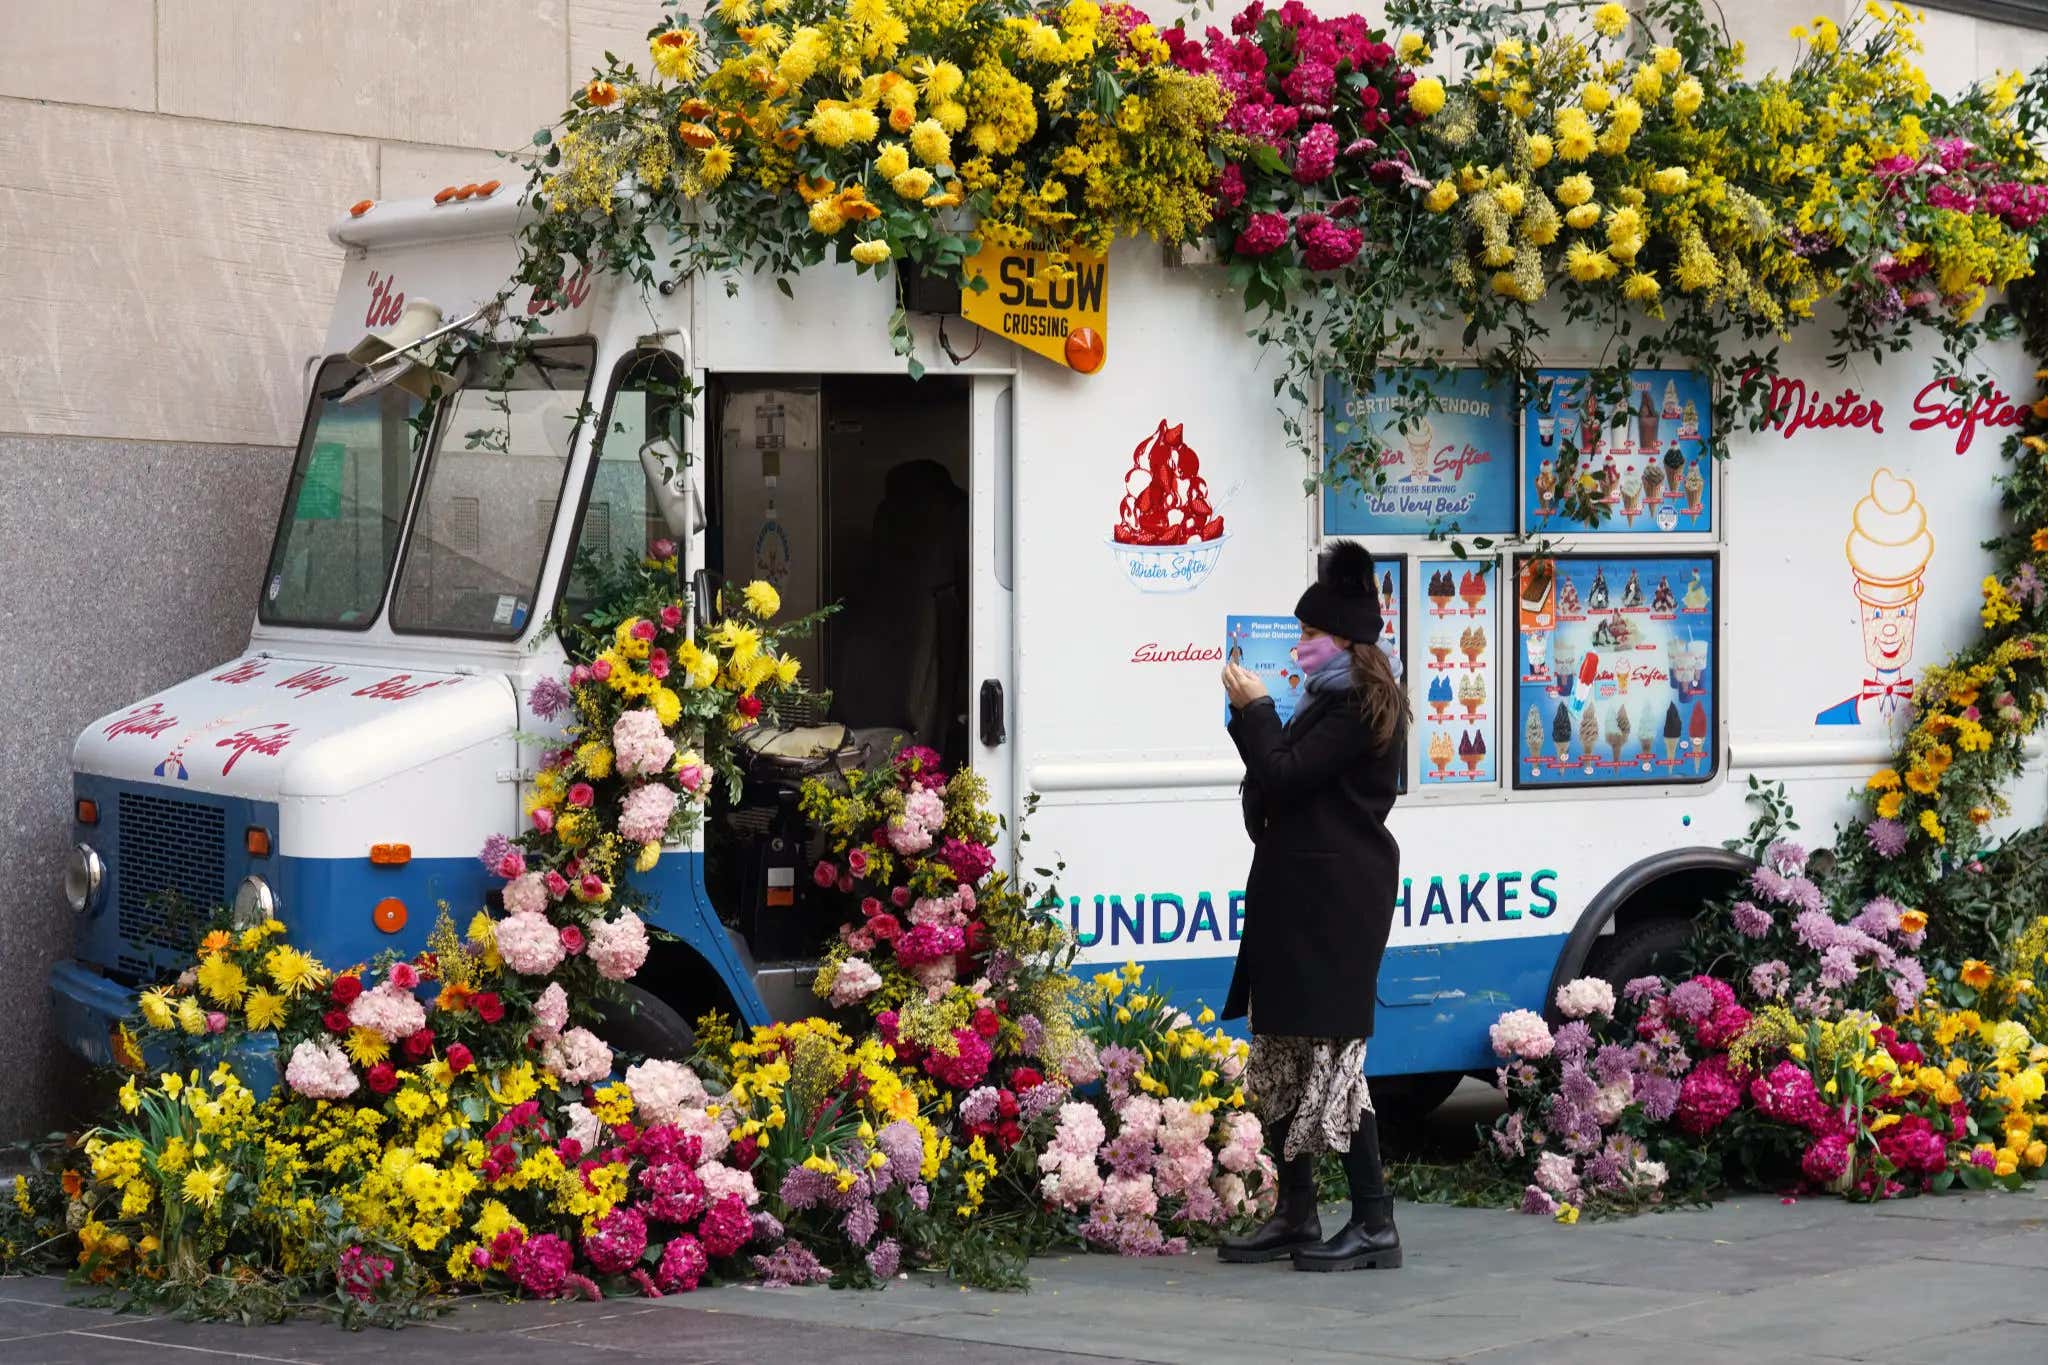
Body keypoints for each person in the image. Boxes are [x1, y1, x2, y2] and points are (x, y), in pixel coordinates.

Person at [1216, 540, 1408, 1272]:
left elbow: (1286, 775)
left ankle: (1375, 1221)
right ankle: (1296, 1209)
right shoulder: (1325, 698)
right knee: (1286, 1047)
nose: (1299, 645)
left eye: (1309, 635)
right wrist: (1257, 717)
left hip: (1336, 903)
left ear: (1345, 644)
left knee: (1334, 1057)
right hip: (1299, 896)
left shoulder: (1358, 703)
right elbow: (1278, 778)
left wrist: (1255, 710)